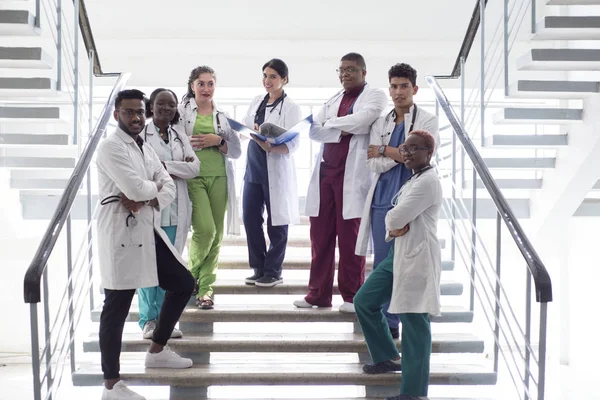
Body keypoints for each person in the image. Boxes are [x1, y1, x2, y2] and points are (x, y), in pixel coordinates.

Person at [97, 89, 195, 400]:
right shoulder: (111, 147)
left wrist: (148, 196)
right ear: (117, 115)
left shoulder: (143, 145)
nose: (137, 117)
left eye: (140, 111)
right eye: (129, 112)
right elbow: (134, 187)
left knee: (183, 283)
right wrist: (149, 191)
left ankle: (156, 350)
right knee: (116, 307)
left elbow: (166, 186)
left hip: (146, 228)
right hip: (122, 234)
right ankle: (112, 385)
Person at [294, 52, 387, 313]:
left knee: (350, 240)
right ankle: (318, 295)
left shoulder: (375, 95)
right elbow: (314, 130)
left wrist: (330, 126)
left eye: (351, 70)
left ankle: (351, 296)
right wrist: (341, 128)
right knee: (320, 237)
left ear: (363, 72)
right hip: (326, 174)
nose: (345, 74)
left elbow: (363, 120)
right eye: (342, 70)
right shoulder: (334, 98)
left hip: (352, 175)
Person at [354, 130, 442, 400]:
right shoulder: (413, 180)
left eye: (415, 149)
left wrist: (394, 224)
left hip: (418, 256)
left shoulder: (428, 182)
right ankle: (386, 356)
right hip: (398, 253)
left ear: (429, 153)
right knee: (364, 301)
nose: (407, 152)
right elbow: (394, 221)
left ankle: (414, 393)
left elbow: (394, 218)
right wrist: (394, 226)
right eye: (405, 148)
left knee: (414, 321)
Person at [355, 63, 439, 339]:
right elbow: (375, 163)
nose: (398, 91)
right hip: (383, 198)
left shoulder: (427, 120)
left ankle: (404, 319)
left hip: (413, 200)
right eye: (393, 86)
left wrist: (384, 149)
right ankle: (387, 324)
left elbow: (423, 157)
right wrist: (397, 154)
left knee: (406, 265)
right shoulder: (382, 121)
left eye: (404, 86)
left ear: (414, 89)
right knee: (383, 264)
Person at [138, 88, 200, 339]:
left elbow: (194, 167)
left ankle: (165, 321)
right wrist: (175, 168)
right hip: (152, 209)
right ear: (151, 106)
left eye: (172, 105)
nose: (166, 108)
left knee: (172, 270)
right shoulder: (141, 134)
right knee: (147, 268)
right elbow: (142, 169)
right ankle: (148, 321)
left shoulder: (179, 134)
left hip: (176, 210)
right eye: (161, 104)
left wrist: (164, 167)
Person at [179, 66, 242, 309]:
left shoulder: (222, 116)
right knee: (205, 231)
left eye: (210, 83)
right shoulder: (181, 113)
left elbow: (236, 151)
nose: (206, 88)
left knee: (216, 236)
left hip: (220, 177)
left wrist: (219, 141)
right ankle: (188, 276)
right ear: (192, 86)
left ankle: (205, 289)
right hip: (194, 177)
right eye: (201, 83)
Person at [242, 59, 302, 288]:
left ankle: (273, 270)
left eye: (273, 77)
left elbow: (294, 141)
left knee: (277, 223)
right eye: (265, 76)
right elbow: (247, 124)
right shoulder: (257, 101)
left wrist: (273, 146)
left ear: (284, 80)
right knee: (250, 219)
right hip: (253, 166)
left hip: (274, 166)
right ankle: (258, 268)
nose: (268, 81)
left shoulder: (291, 107)